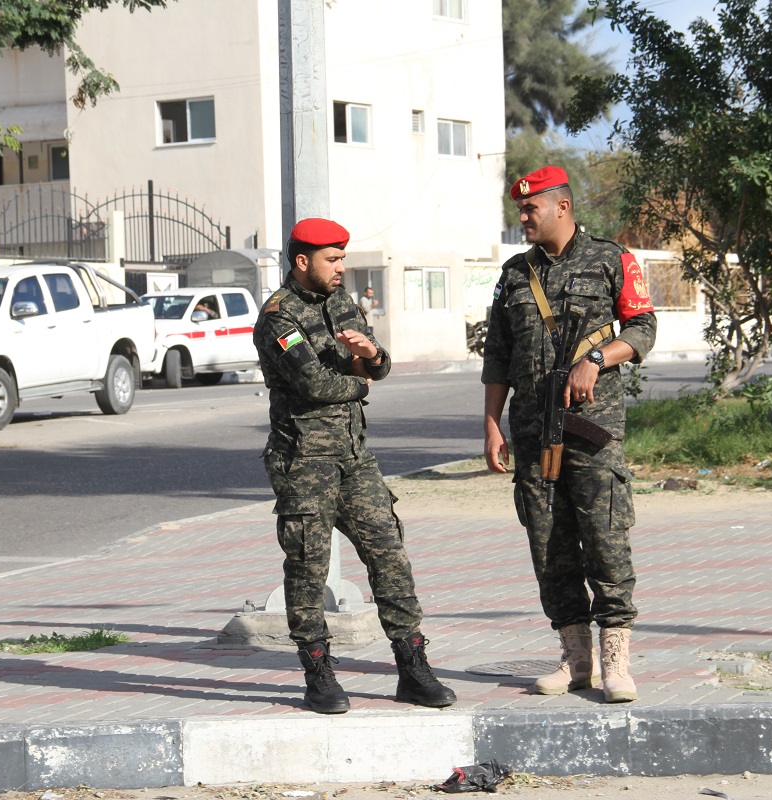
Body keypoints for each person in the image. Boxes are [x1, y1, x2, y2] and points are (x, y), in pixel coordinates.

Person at [253, 217, 457, 715]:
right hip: (304, 461)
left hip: (353, 455)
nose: (342, 267)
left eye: (343, 258)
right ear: (303, 262)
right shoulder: (279, 320)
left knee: (389, 554)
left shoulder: (342, 302)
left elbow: (376, 363)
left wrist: (373, 356)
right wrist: (363, 381)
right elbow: (317, 386)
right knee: (307, 568)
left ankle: (412, 668)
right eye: (333, 259)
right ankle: (319, 673)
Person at [481, 166, 657, 703]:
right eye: (522, 209)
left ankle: (615, 661)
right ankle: (576, 659)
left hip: (593, 432)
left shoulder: (611, 259)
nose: (524, 217)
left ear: (561, 206)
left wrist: (598, 359)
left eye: (531, 208)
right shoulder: (514, 274)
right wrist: (492, 424)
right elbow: (498, 357)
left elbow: (644, 327)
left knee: (605, 540)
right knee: (549, 548)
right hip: (534, 437)